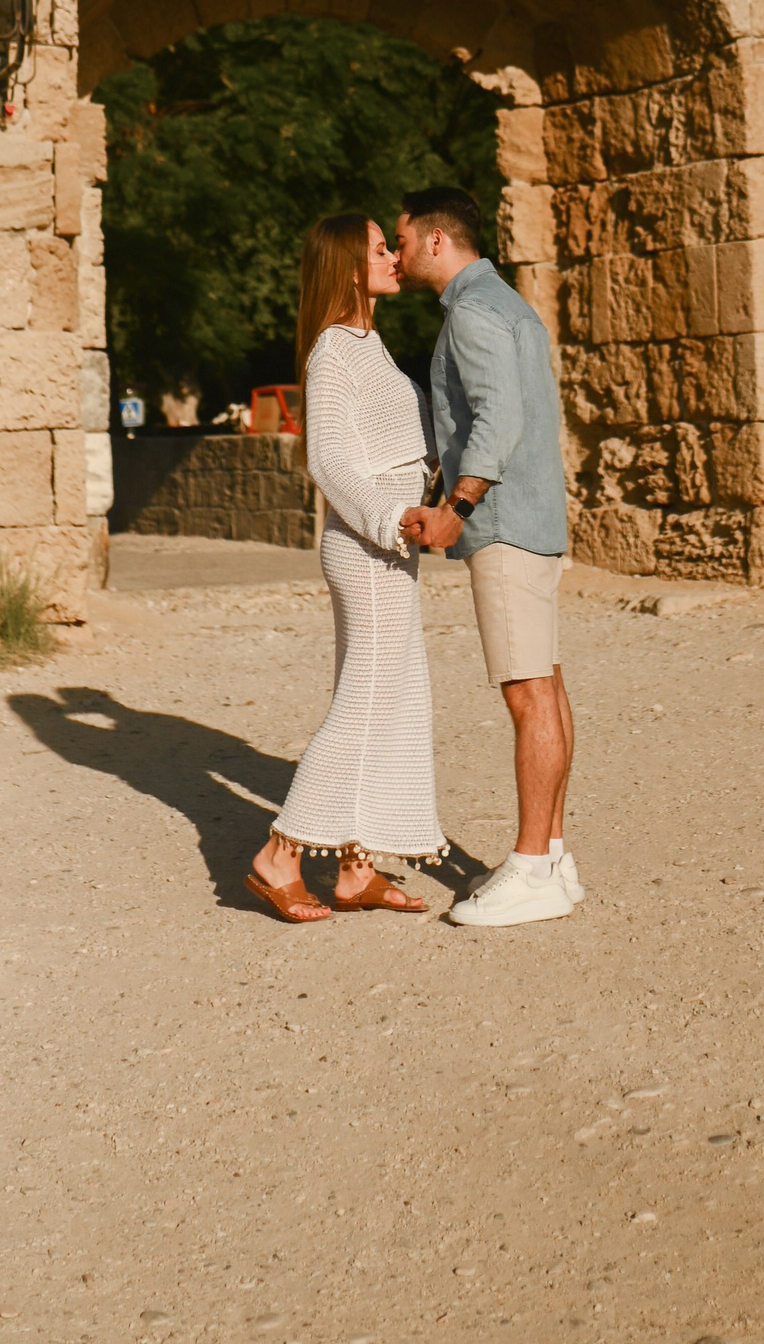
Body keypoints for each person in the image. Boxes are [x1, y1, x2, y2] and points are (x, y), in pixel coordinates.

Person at [245, 212, 446, 924]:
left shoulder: (370, 343)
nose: (394, 257)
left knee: (394, 696)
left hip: (390, 543)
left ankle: (357, 868)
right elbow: (327, 460)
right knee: (365, 701)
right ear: (347, 268)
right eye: (380, 249)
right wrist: (392, 519)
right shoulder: (333, 349)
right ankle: (280, 854)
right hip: (367, 545)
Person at [396, 187, 579, 927]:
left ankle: (532, 869)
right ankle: (554, 859)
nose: (398, 254)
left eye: (403, 240)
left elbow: (498, 420)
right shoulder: (508, 304)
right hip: (536, 518)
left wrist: (455, 511)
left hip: (503, 525)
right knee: (547, 687)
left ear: (436, 240)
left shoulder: (472, 313)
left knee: (528, 695)